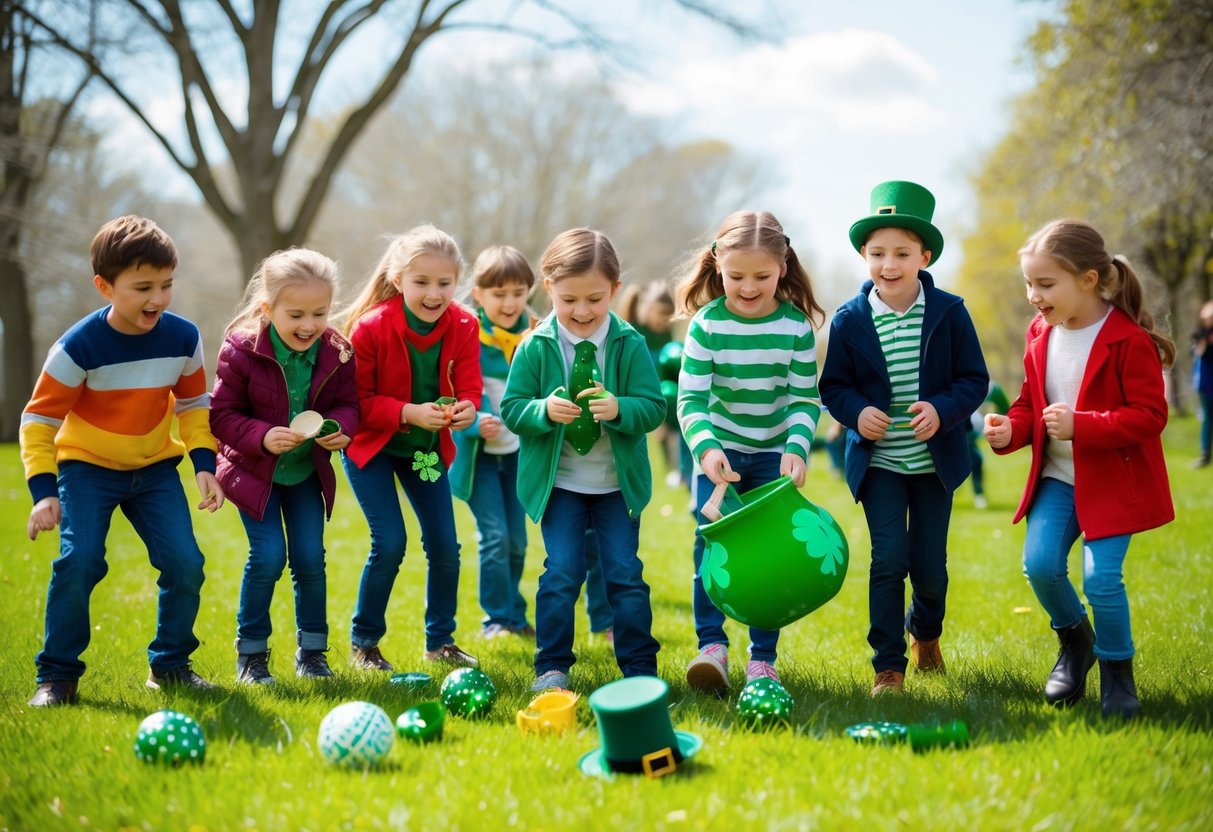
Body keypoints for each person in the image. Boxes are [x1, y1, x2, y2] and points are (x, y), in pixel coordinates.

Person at [21, 215, 224, 706]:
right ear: (104, 286)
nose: (157, 298)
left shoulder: (182, 337)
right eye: (142, 287)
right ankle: (57, 678)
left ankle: (171, 665)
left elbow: (195, 406)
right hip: (87, 468)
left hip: (154, 469)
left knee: (185, 563)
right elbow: (39, 421)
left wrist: (203, 465)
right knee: (81, 560)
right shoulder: (78, 347)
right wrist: (44, 492)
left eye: (166, 285)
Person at [984, 219, 1175, 719]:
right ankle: (1076, 642)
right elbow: (1031, 404)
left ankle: (1118, 673)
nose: (1033, 296)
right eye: (1029, 283)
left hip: (1111, 484)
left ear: (1089, 280)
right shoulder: (1038, 333)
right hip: (1057, 480)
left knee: (1102, 580)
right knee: (1041, 566)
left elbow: (1150, 416)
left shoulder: (1127, 340)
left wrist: (1082, 425)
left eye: (1045, 284)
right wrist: (1011, 431)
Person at [819, 181, 988, 697]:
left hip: (934, 464)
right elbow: (834, 387)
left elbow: (973, 380)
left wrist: (942, 409)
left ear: (925, 255)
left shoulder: (949, 313)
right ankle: (888, 665)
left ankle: (927, 633)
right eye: (877, 253)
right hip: (881, 465)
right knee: (889, 559)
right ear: (864, 256)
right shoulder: (850, 320)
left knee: (930, 569)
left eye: (901, 253)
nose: (888, 264)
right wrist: (856, 412)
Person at [501, 228, 665, 692]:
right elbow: (513, 409)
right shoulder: (535, 345)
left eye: (595, 298)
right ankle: (552, 666)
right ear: (548, 289)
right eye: (568, 299)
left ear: (615, 290)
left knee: (624, 574)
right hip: (561, 487)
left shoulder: (629, 344)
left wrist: (619, 409)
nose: (582, 311)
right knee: (562, 572)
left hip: (616, 487)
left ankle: (639, 668)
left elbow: (653, 408)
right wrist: (543, 411)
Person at [676, 210, 825, 694]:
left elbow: (805, 398)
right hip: (719, 456)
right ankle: (711, 647)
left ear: (782, 268)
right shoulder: (706, 325)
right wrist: (706, 448)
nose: (747, 286)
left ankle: (762, 659)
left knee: (768, 557)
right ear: (717, 264)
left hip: (772, 456)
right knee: (712, 547)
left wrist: (796, 447)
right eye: (736, 275)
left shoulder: (795, 328)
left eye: (761, 276)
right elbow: (691, 400)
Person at [210, 248, 360, 684]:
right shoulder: (240, 350)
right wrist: (260, 436)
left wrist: (340, 428)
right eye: (296, 314)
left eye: (320, 313)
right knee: (269, 556)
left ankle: (312, 654)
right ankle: (252, 657)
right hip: (255, 473)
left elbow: (349, 404)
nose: (309, 325)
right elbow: (221, 415)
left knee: (311, 557)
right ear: (267, 308)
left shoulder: (337, 351)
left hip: (305, 473)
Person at [341, 225, 483, 672]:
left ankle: (439, 642)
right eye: (421, 282)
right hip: (373, 449)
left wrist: (467, 409)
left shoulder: (464, 324)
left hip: (424, 453)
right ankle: (364, 643)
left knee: (445, 544)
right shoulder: (371, 327)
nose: (433, 293)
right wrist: (407, 412)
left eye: (445, 283)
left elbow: (471, 386)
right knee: (391, 542)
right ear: (398, 280)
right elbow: (356, 404)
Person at [449, 245, 538, 639]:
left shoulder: (534, 335)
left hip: (518, 455)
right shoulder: (468, 333)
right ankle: (496, 619)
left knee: (517, 541)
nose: (509, 302)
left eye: (518, 293)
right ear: (480, 295)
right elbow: (455, 389)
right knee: (495, 536)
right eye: (499, 294)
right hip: (481, 456)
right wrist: (474, 421)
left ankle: (515, 616)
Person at [966, 380, 1011, 509]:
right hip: (952, 428)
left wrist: (996, 425)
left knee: (975, 458)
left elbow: (1008, 413)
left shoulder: (993, 389)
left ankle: (978, 494)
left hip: (971, 431)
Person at [1192, 300, 1213, 468]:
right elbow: (1198, 353)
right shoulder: (1201, 335)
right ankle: (1205, 455)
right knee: (1207, 419)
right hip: (1205, 382)